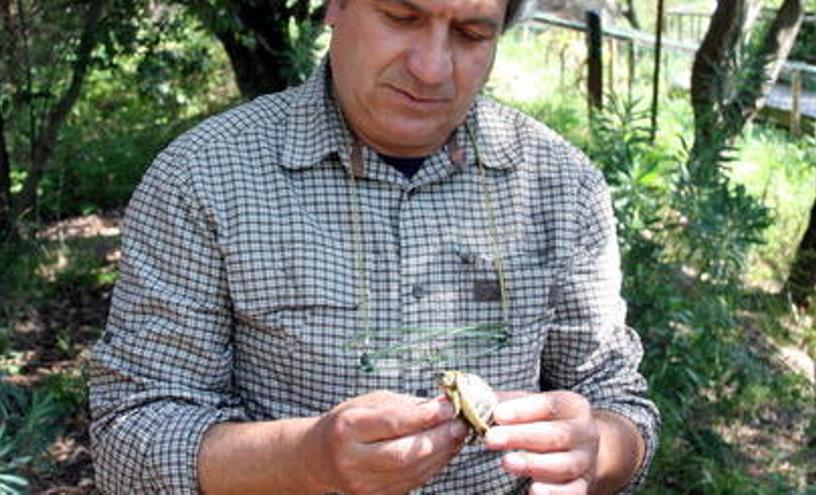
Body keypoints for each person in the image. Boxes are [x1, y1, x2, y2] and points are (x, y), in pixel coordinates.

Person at [88, 0, 660, 493]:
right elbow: (128, 438)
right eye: (400, 16)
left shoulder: (560, 184)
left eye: (471, 34)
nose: (431, 68)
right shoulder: (204, 179)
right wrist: (306, 459)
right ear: (334, 5)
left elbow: (618, 401)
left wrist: (597, 449)